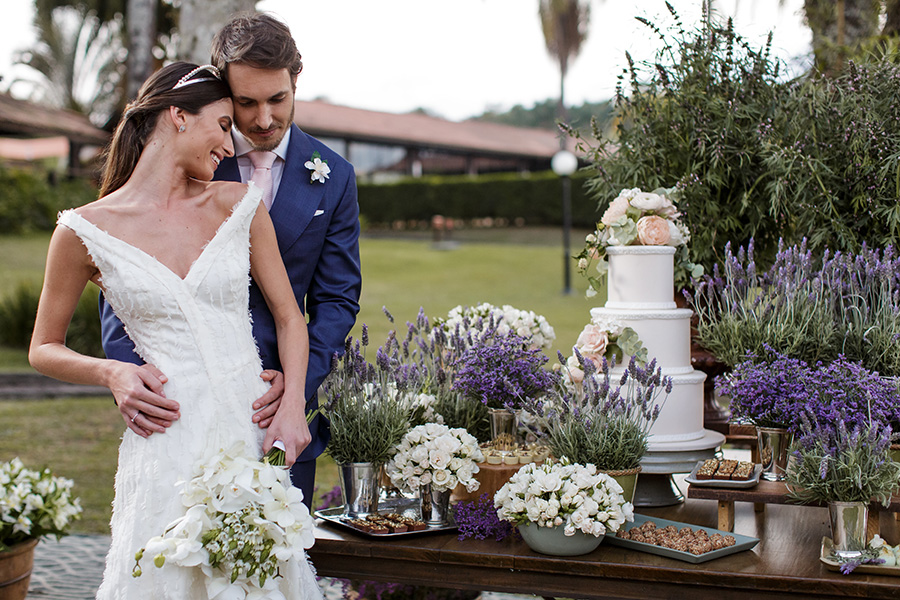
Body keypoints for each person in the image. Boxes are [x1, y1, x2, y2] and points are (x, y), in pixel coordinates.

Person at [29, 62, 322, 599]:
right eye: (223, 125)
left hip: (249, 432)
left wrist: (292, 404)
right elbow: (43, 348)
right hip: (166, 438)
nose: (231, 147)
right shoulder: (81, 231)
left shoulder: (237, 205)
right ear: (178, 116)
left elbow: (289, 317)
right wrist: (114, 372)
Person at [100, 12, 362, 507]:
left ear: (295, 82)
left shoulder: (338, 177)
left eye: (277, 99)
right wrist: (128, 376)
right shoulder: (185, 157)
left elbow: (337, 299)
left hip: (276, 415)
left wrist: (293, 389)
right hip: (179, 406)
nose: (263, 120)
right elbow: (122, 271)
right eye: (246, 103)